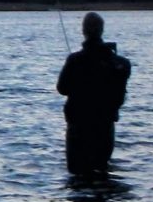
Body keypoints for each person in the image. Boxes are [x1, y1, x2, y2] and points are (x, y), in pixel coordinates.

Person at [57, 11, 132, 173]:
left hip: (78, 127)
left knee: (77, 174)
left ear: (84, 31)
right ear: (101, 30)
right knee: (102, 171)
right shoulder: (121, 64)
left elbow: (62, 89)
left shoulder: (75, 60)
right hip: (105, 126)